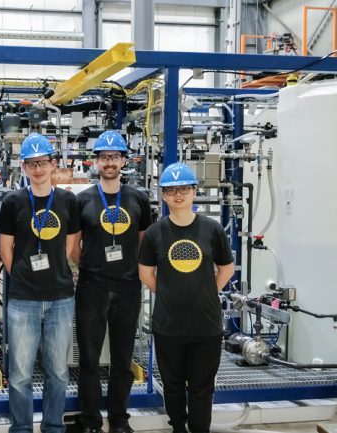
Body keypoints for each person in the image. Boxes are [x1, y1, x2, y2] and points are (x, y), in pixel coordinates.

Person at [138, 163, 235, 433]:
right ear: (164, 195)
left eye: (184, 189)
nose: (178, 194)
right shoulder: (156, 232)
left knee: (203, 386)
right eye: (171, 190)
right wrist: (168, 292)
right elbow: (145, 273)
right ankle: (178, 428)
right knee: (173, 384)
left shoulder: (211, 229)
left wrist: (206, 290)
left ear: (194, 192)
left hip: (205, 325)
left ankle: (199, 429)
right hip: (169, 325)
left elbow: (226, 268)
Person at [0, 133, 80, 433]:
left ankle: (53, 427)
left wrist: (62, 272)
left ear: (53, 165)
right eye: (31, 164)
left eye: (42, 162)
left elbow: (72, 247)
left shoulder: (67, 201)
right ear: (23, 167)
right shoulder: (13, 202)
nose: (38, 169)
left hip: (60, 298)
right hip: (22, 300)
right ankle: (21, 428)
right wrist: (20, 275)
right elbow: (4, 248)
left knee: (58, 372)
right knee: (20, 373)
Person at [71, 131, 152, 433]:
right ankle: (91, 421)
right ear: (96, 162)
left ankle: (119, 419)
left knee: (122, 359)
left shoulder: (138, 199)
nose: (109, 162)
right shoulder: (83, 200)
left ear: (123, 161)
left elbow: (143, 242)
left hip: (128, 289)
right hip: (91, 289)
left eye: (114, 157)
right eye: (104, 157)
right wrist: (91, 267)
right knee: (89, 360)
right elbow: (73, 245)